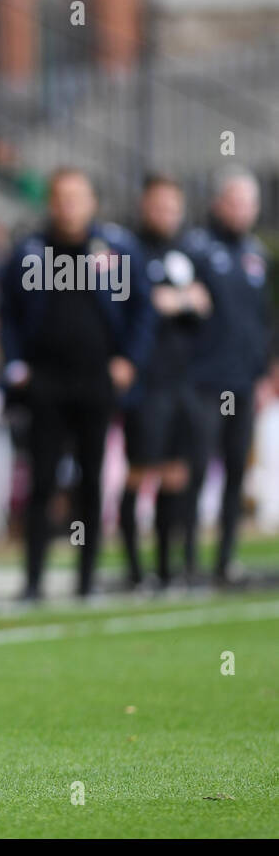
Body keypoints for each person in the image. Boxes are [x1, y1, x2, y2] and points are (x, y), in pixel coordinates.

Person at [0, 168, 152, 601]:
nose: (68, 205)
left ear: (92, 202)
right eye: (61, 197)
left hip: (96, 380)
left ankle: (86, 581)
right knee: (41, 480)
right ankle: (33, 580)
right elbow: (7, 311)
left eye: (77, 197)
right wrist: (15, 364)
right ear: (51, 202)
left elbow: (143, 307)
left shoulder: (117, 248)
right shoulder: (29, 250)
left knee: (91, 480)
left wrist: (128, 361)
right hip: (44, 381)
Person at [118, 176, 211, 589]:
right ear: (144, 206)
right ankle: (134, 570)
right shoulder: (130, 250)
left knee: (176, 473)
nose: (166, 215)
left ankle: (167, 568)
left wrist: (178, 301)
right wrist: (175, 300)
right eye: (158, 206)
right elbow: (141, 305)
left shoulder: (186, 252)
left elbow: (201, 304)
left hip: (182, 381)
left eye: (173, 207)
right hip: (147, 382)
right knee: (141, 472)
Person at [183, 167, 274, 585]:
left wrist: (263, 372)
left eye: (248, 203)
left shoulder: (256, 255)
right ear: (219, 203)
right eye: (234, 201)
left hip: (243, 382)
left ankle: (225, 559)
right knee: (197, 467)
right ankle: (186, 559)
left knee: (237, 469)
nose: (241, 211)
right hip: (203, 380)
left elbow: (261, 320)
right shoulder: (197, 248)